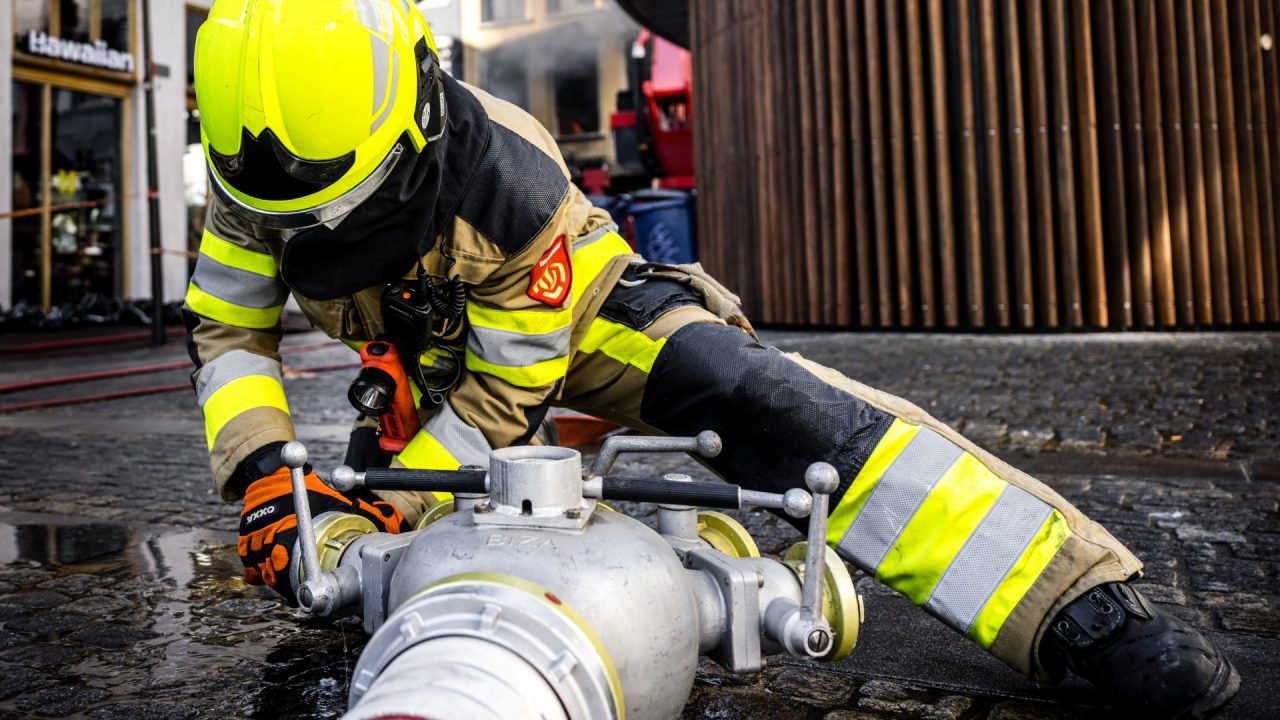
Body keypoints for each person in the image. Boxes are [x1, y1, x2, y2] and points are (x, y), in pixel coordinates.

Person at [185, 1, 1239, 717]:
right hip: (422, 357)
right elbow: (231, 332)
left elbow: (509, 389)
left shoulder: (509, 180)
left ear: (416, 101)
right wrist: (267, 478)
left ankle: (1077, 606)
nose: (322, 226)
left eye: (352, 199)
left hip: (577, 318)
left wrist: (393, 495)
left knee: (773, 406)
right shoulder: (250, 183)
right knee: (350, 542)